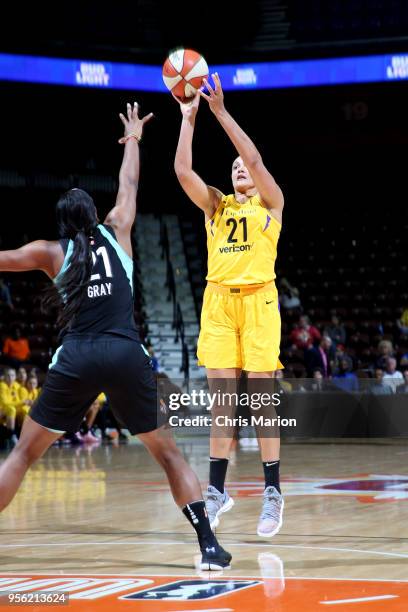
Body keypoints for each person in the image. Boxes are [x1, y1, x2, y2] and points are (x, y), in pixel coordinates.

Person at [0, 102, 230, 571]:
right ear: (93, 216)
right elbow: (128, 184)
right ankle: (209, 546)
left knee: (23, 453)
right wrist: (132, 140)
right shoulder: (118, 229)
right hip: (126, 352)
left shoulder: (49, 251)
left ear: (63, 223)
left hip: (79, 355)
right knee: (167, 452)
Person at [173, 73, 284, 538]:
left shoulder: (271, 206)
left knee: (260, 403)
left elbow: (254, 155)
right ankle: (218, 491)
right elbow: (182, 173)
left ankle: (273, 493)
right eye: (234, 164)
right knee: (222, 405)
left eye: (245, 165)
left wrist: (220, 113)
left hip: (259, 303)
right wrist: (189, 119)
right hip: (218, 303)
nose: (240, 165)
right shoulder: (216, 207)